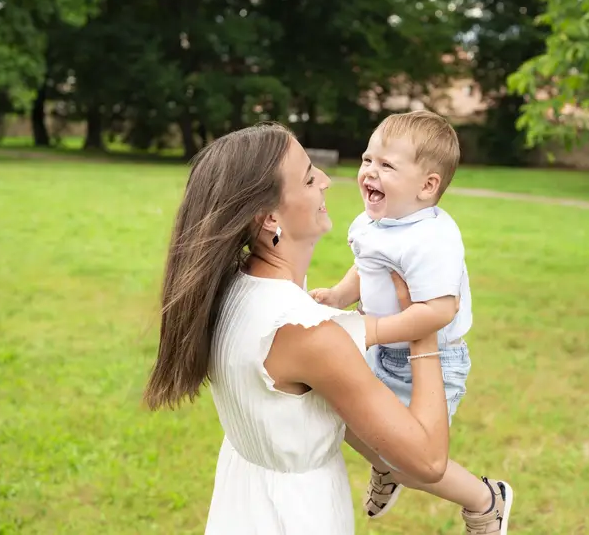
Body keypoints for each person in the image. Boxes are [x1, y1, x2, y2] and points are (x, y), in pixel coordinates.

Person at [142, 122, 450, 535]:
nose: (325, 181)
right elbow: (428, 461)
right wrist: (424, 327)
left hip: (244, 504)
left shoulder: (232, 288)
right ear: (270, 218)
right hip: (296, 515)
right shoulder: (306, 333)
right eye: (308, 177)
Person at [310, 110, 513, 534]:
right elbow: (365, 266)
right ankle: (384, 467)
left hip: (432, 358)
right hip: (381, 347)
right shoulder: (372, 221)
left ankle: (487, 501)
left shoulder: (432, 239)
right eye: (367, 160)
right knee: (333, 409)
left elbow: (440, 311)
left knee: (414, 462)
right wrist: (339, 296)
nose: (369, 172)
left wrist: (374, 329)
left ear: (427, 186)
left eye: (386, 165)